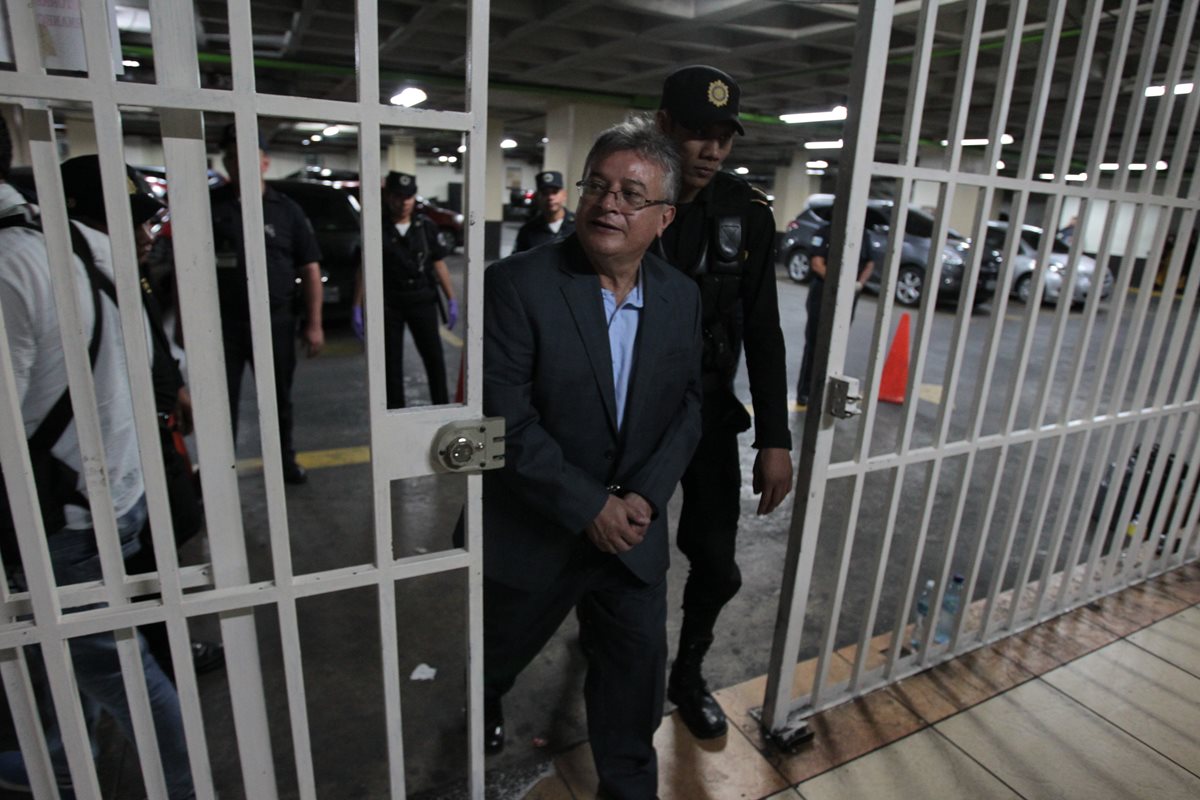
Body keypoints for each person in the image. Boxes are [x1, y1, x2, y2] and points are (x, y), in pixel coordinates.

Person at [482, 116, 702, 799]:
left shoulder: (680, 297)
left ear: (663, 217)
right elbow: (505, 421)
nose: (609, 203)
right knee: (499, 650)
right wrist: (588, 507)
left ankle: (629, 787)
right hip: (538, 527)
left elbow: (689, 405)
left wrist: (643, 497)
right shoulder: (518, 285)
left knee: (634, 679)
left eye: (632, 194)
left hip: (632, 533)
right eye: (598, 187)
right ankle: (487, 695)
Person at [0, 121, 195, 798]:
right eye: (135, 218)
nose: (148, 233)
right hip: (112, 497)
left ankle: (181, 784)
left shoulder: (24, 261)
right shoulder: (99, 262)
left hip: (70, 515)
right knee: (80, 651)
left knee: (121, 672)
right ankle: (56, 760)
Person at [654, 65, 793, 739]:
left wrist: (776, 438)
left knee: (715, 562)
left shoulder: (748, 216)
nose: (710, 150)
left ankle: (688, 674)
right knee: (619, 553)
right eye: (695, 134)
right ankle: (615, 653)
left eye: (722, 137)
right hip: (631, 418)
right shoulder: (631, 197)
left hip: (708, 413)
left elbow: (763, 329)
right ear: (663, 126)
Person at [212, 124, 323, 484]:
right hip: (223, 325)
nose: (237, 163)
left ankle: (282, 461)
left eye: (246, 156)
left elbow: (309, 269)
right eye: (230, 157)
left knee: (276, 401)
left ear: (263, 163)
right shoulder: (210, 206)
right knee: (220, 402)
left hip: (273, 323)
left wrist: (314, 323)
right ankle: (220, 472)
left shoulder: (286, 211)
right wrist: (185, 324)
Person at [351, 171, 458, 408]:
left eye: (409, 197)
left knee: (434, 359)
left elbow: (438, 263)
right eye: (399, 196)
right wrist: (357, 304)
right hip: (390, 304)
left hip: (422, 301)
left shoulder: (425, 226)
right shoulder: (376, 227)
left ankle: (441, 408)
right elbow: (364, 267)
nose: (404, 202)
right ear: (389, 196)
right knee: (391, 365)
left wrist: (451, 299)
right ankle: (395, 413)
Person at [796, 219, 875, 406]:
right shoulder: (826, 231)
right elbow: (817, 263)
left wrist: (858, 284)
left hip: (849, 295)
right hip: (824, 291)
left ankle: (826, 392)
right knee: (815, 343)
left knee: (837, 345)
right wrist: (838, 284)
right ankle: (806, 391)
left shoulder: (863, 235)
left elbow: (869, 263)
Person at [511, 170, 575, 254]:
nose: (550, 197)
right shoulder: (527, 231)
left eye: (554, 192)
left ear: (564, 195)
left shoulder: (578, 225)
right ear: (538, 197)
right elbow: (517, 262)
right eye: (545, 193)